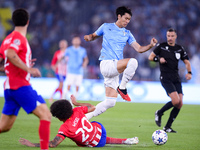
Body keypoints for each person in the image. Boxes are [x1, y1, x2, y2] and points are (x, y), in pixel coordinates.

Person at [84, 6, 157, 120]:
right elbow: (93, 36)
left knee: (110, 102)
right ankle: (122, 88)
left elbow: (139, 49)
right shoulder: (106, 26)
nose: (127, 21)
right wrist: (88, 37)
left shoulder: (127, 33)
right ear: (119, 16)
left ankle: (85, 118)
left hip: (115, 68)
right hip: (107, 63)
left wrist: (150, 46)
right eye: (126, 18)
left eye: (129, 19)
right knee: (132, 62)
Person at [0, 8, 51, 150]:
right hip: (20, 86)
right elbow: (10, 54)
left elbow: (3, 62)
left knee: (4, 127)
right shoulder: (18, 38)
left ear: (14, 21)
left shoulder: (7, 39)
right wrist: (28, 69)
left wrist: (24, 64)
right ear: (28, 22)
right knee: (46, 115)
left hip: (10, 88)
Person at [19, 95, 139, 148]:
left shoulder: (64, 128)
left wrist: (32, 144)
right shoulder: (77, 110)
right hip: (100, 130)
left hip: (96, 144)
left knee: (84, 136)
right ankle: (126, 141)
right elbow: (93, 107)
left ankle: (125, 141)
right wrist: (76, 103)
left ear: (60, 116)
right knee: (89, 123)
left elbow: (52, 144)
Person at [148, 28, 192, 133]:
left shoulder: (179, 48)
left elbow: (187, 62)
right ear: (166, 36)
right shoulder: (161, 46)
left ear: (175, 36)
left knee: (180, 103)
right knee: (176, 101)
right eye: (168, 36)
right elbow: (150, 57)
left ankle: (167, 127)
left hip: (176, 78)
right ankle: (159, 112)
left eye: (172, 36)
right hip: (165, 77)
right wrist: (159, 59)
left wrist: (189, 72)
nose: (170, 38)